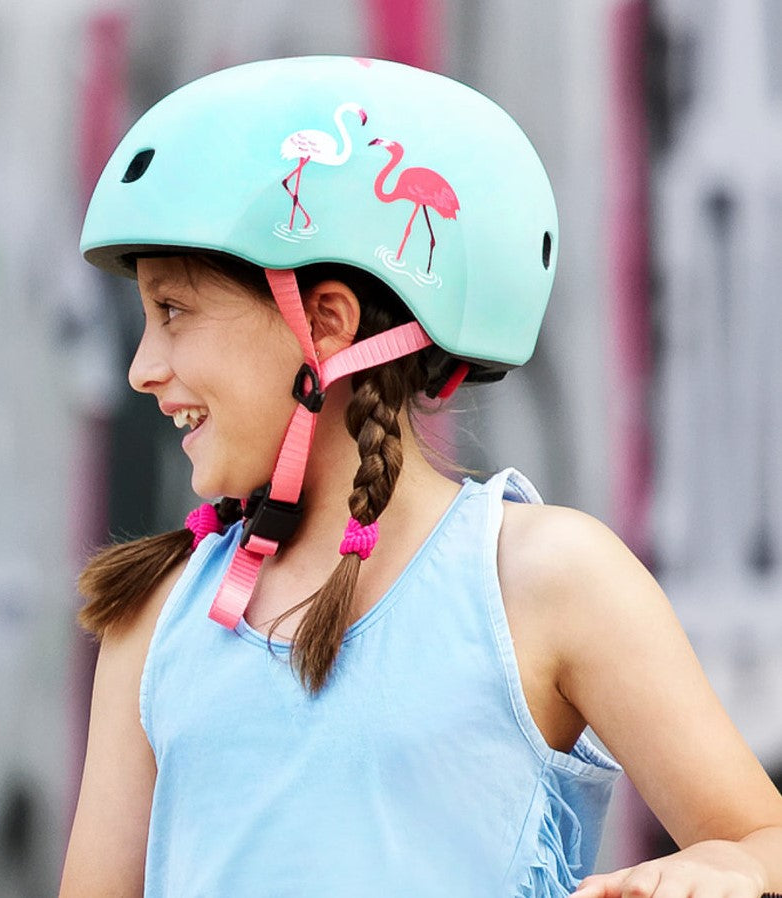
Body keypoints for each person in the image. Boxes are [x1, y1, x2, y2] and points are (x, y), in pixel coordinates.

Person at [59, 56, 782, 898]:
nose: (142, 368)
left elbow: (762, 837)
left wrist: (727, 863)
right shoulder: (156, 619)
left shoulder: (546, 579)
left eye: (173, 311)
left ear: (325, 322)